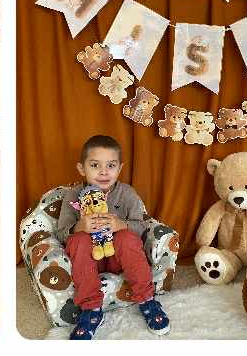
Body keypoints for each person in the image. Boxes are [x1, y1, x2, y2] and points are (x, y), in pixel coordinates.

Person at [57, 135, 170, 339]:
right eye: (95, 165)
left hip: (119, 258)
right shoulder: (73, 195)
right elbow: (61, 233)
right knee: (78, 239)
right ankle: (91, 309)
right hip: (89, 261)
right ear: (82, 169)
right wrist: (79, 227)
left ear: (119, 169)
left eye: (110, 165)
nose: (103, 172)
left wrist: (121, 224)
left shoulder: (127, 194)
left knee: (126, 237)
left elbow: (143, 226)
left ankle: (146, 299)